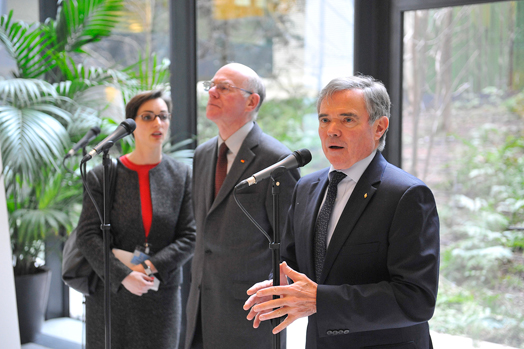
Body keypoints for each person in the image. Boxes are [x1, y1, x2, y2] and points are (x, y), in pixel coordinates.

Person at [244, 75, 440, 349]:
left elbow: (416, 299)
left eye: (347, 120)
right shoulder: (306, 187)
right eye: (325, 119)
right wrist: (278, 288)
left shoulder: (406, 195)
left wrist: (319, 300)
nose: (332, 130)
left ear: (379, 127)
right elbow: (295, 266)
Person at [185, 63, 300, 349]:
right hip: (200, 306)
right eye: (210, 85)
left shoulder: (276, 160)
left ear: (252, 101)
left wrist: (275, 296)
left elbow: (290, 242)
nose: (212, 92)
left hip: (250, 312)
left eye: (223, 87)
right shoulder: (203, 154)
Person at [76, 90, 196, 349]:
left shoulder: (181, 175)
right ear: (130, 124)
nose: (157, 123)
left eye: (163, 116)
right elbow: (87, 236)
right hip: (111, 293)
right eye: (148, 116)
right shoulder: (102, 175)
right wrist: (123, 275)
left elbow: (190, 236)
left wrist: (148, 267)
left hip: (160, 293)